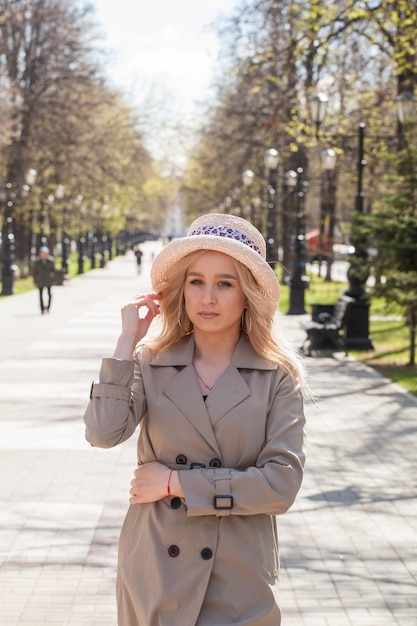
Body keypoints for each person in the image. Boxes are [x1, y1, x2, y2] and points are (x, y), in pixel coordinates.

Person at [83, 213, 306, 626]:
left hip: (237, 576)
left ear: (247, 295)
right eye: (196, 282)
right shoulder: (150, 361)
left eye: (225, 283)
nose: (208, 298)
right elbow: (101, 432)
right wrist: (127, 341)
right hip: (154, 570)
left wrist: (176, 483)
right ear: (181, 290)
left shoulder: (277, 375)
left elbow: (281, 485)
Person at [33, 246, 56, 314]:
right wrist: (35, 281)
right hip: (40, 280)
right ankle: (42, 309)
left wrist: (53, 280)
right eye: (42, 253)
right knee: (41, 295)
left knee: (49, 294)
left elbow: (53, 271)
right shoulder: (37, 262)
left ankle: (48, 307)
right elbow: (35, 272)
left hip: (48, 280)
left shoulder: (50, 261)